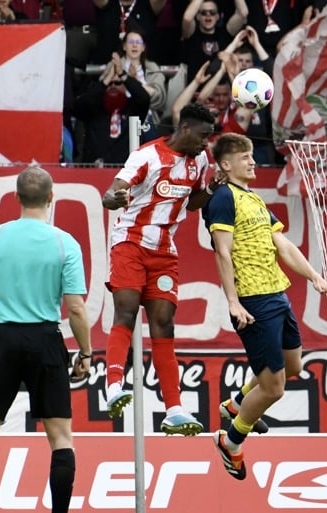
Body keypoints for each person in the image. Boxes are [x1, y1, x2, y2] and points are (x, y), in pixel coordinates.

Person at [0, 166, 91, 513]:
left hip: (2, 340)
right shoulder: (65, 243)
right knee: (61, 436)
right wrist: (88, 353)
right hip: (46, 338)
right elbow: (76, 308)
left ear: (15, 199)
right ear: (51, 197)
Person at [204, 133, 327, 480]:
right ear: (226, 164)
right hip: (253, 300)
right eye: (245, 156)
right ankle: (231, 440)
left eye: (252, 154)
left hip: (277, 294)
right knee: (274, 387)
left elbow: (283, 246)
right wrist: (234, 303)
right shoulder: (223, 198)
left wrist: (316, 277)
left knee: (294, 365)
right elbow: (222, 252)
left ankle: (236, 403)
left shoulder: (252, 199)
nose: (253, 161)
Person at [101, 101, 218, 436]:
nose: (205, 143)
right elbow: (114, 191)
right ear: (184, 129)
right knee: (125, 310)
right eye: (202, 135)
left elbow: (191, 202)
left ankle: (174, 410)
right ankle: (113, 387)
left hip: (165, 250)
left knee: (164, 324)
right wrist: (114, 199)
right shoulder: (147, 156)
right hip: (130, 243)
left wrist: (210, 189)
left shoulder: (200, 162)